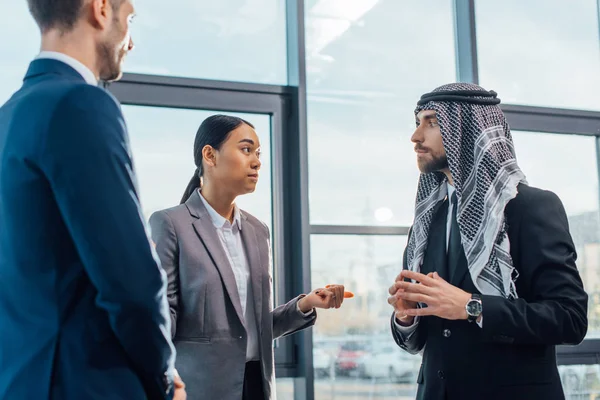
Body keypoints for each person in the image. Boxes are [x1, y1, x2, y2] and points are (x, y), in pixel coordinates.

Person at [0, 0, 185, 399]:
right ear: (101, 9)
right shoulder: (81, 104)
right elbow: (132, 283)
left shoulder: (8, 116)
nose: (130, 42)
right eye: (129, 18)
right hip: (85, 382)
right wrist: (164, 380)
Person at [388, 82, 588, 400]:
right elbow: (420, 341)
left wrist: (472, 307)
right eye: (417, 123)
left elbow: (570, 319)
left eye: (433, 123)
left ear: (467, 131)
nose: (416, 137)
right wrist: (407, 315)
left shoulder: (531, 207)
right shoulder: (427, 222)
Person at [149, 114, 348, 400]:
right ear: (210, 155)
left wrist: (306, 304)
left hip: (257, 386)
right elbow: (161, 321)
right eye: (246, 150)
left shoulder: (257, 230)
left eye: (258, 153)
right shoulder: (171, 224)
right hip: (199, 390)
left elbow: (253, 330)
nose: (256, 161)